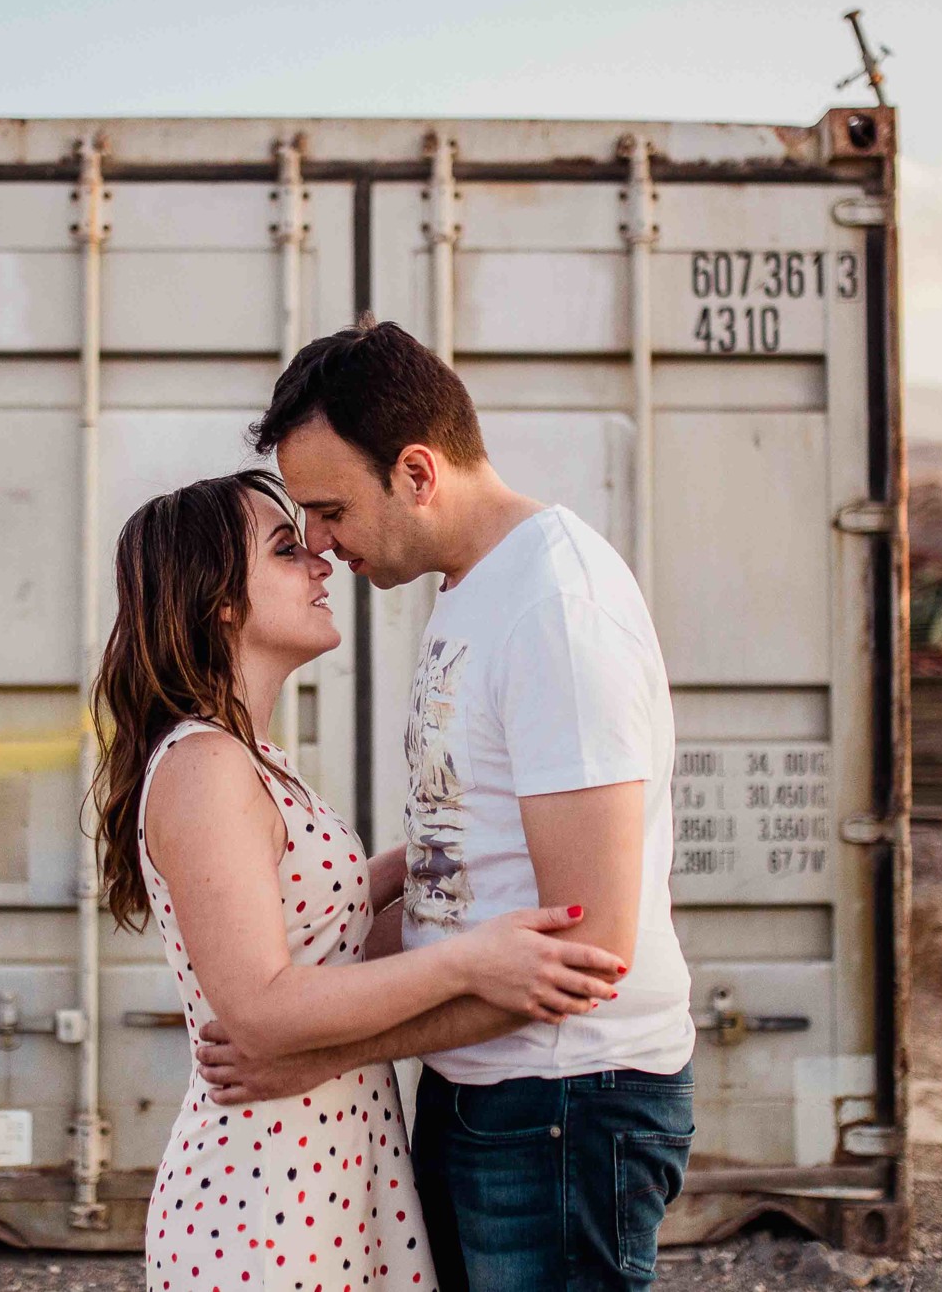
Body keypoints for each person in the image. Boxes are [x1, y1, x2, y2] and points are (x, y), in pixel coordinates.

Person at [197, 319, 698, 1291]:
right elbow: (466, 872)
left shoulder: (555, 606)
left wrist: (326, 1054)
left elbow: (587, 952)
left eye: (330, 510)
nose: (319, 545)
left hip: (567, 1100)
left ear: (418, 473)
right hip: (486, 1082)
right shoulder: (472, 588)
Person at [90, 468, 628, 1292]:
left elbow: (324, 935)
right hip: (264, 1201)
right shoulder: (203, 766)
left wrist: (455, 842)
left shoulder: (249, 760)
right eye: (284, 548)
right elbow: (263, 1006)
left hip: (327, 1172)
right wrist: (470, 960)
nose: (320, 560)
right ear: (219, 602)